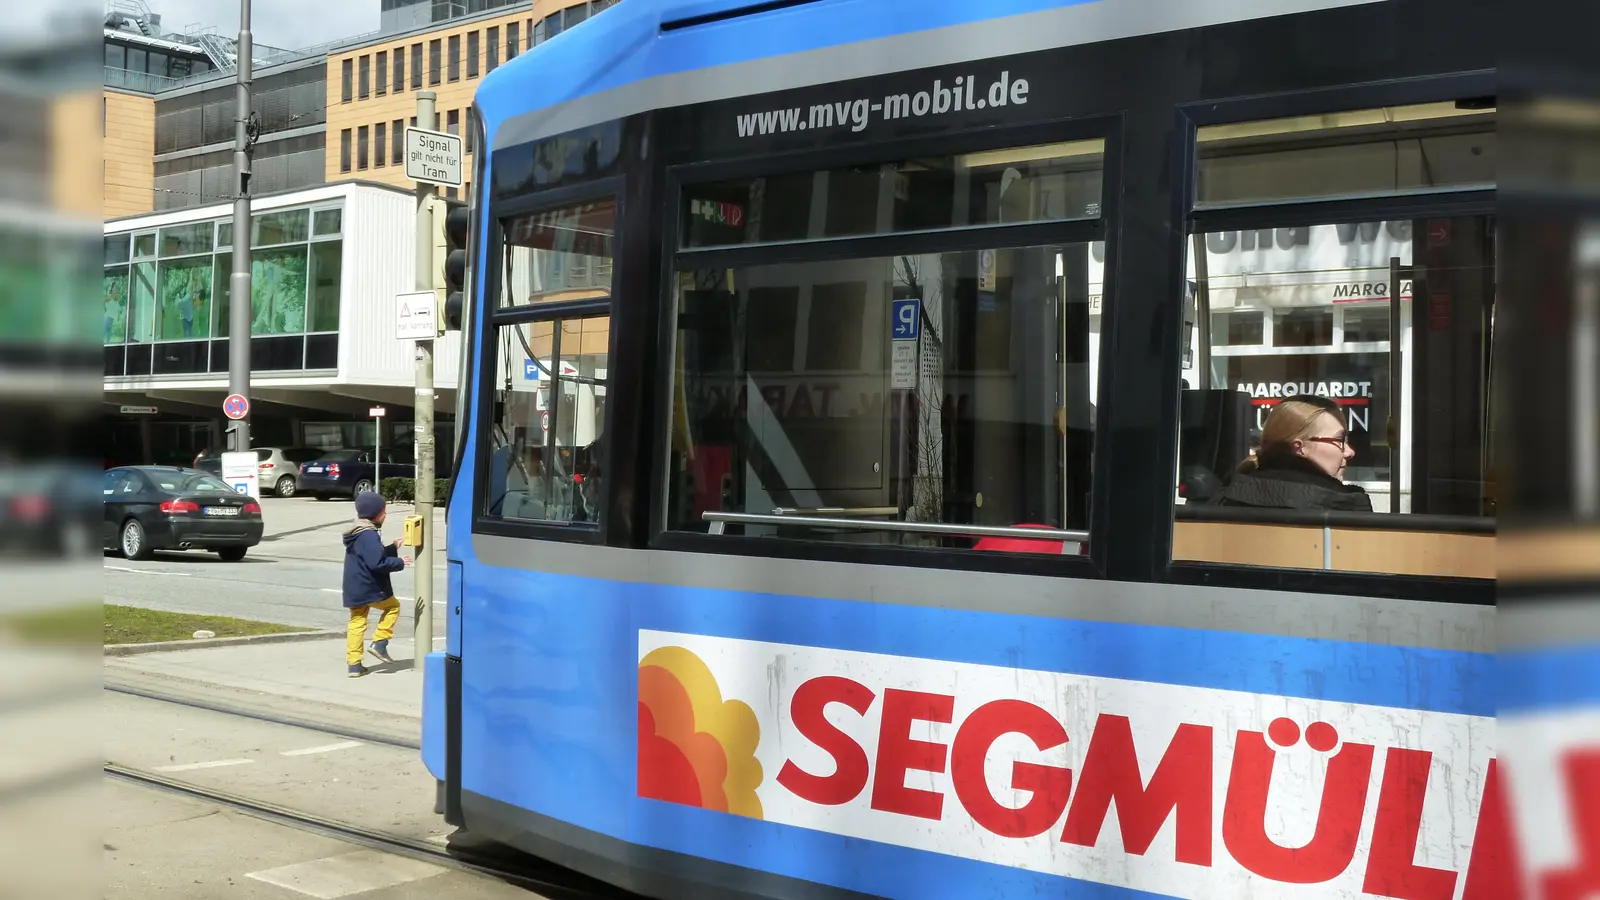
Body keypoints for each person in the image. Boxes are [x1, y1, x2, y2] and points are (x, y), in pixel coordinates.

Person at [1214, 398, 1372, 511]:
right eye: (1340, 440)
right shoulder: (1344, 504)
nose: (1350, 452)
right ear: (1299, 448)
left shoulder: (1225, 496)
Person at [341, 491, 407, 677]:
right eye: (384, 511)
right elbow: (376, 563)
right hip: (369, 586)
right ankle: (380, 642)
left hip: (355, 585)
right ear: (376, 514)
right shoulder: (369, 535)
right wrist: (401, 562)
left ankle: (354, 665)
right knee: (393, 607)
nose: (386, 515)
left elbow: (369, 556)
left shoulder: (357, 531)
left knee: (357, 621)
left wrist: (392, 549)